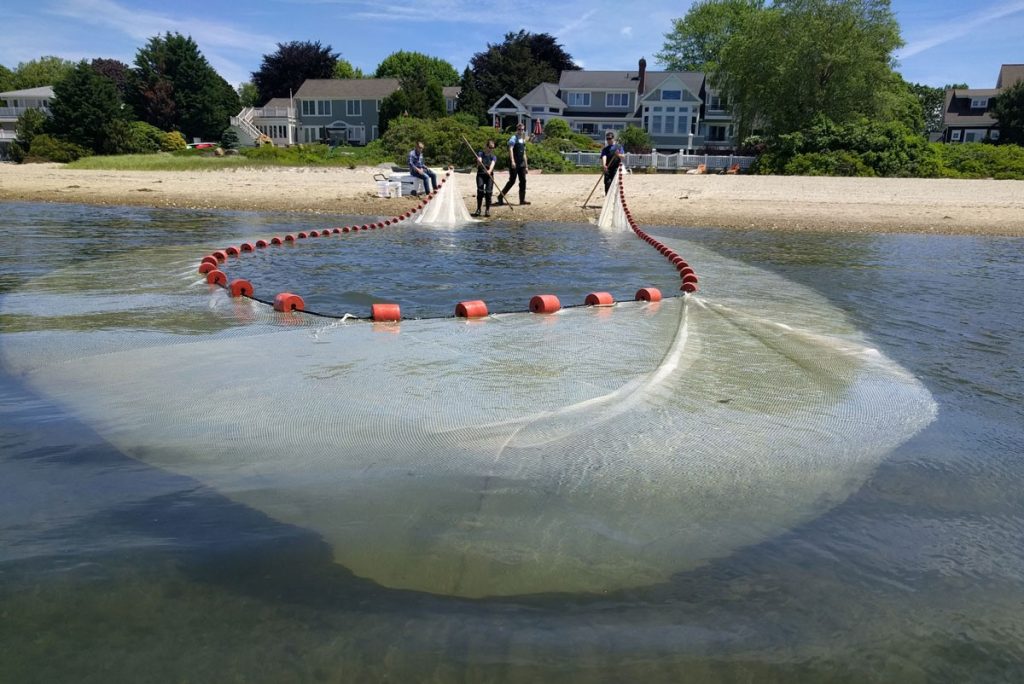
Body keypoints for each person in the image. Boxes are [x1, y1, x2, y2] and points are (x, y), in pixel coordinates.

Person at [497, 123, 530, 205]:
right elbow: (510, 149)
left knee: (523, 181)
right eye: (519, 129)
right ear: (517, 129)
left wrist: (526, 166)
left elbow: (524, 153)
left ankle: (522, 200)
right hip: (514, 163)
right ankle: (500, 196)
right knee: (512, 181)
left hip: (521, 164)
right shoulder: (513, 138)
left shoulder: (523, 140)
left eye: (522, 129)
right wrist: (512, 161)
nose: (521, 131)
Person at [472, 139, 498, 217]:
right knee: (480, 191)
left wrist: (489, 170)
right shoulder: (480, 153)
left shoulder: (493, 157)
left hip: (489, 176)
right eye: (490, 147)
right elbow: (478, 162)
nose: (491, 149)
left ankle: (487, 210)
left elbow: (492, 164)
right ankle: (478, 209)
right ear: (486, 147)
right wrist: (479, 161)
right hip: (480, 174)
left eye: (493, 148)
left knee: (488, 192)